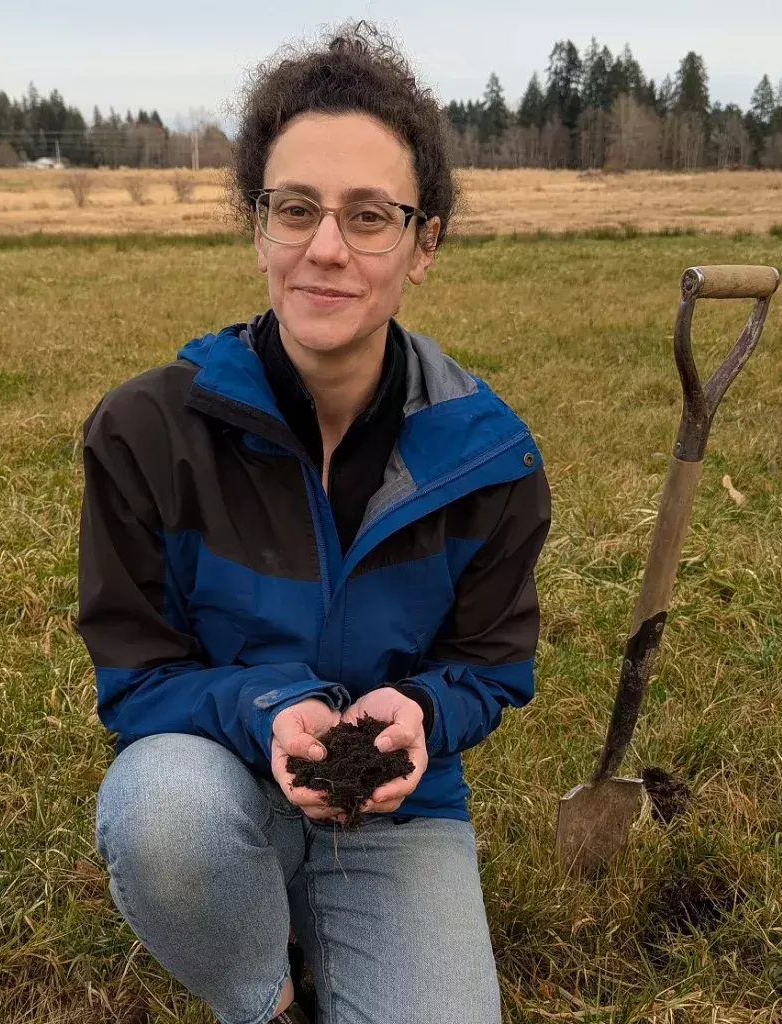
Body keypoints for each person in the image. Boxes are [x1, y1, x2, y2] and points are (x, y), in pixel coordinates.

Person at [79, 20, 551, 1024]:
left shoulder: (490, 458)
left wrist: (422, 715)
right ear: (257, 226)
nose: (324, 248)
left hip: (396, 811)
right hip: (224, 774)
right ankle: (270, 995)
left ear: (425, 242)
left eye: (369, 215)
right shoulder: (144, 433)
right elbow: (135, 681)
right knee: (162, 813)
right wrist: (268, 712)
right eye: (295, 208)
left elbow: (491, 666)